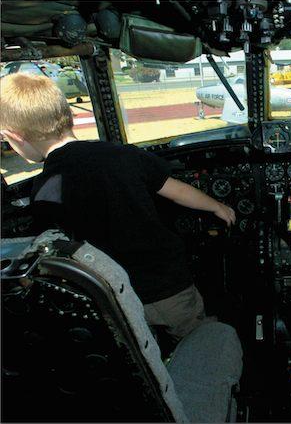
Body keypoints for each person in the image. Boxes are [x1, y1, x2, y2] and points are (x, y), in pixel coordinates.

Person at [0, 73, 236, 340]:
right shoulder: (124, 155)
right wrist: (217, 206)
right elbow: (178, 191)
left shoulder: (44, 190)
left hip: (112, 298)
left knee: (140, 354)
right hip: (167, 286)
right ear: (68, 116)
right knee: (198, 337)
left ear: (15, 137)